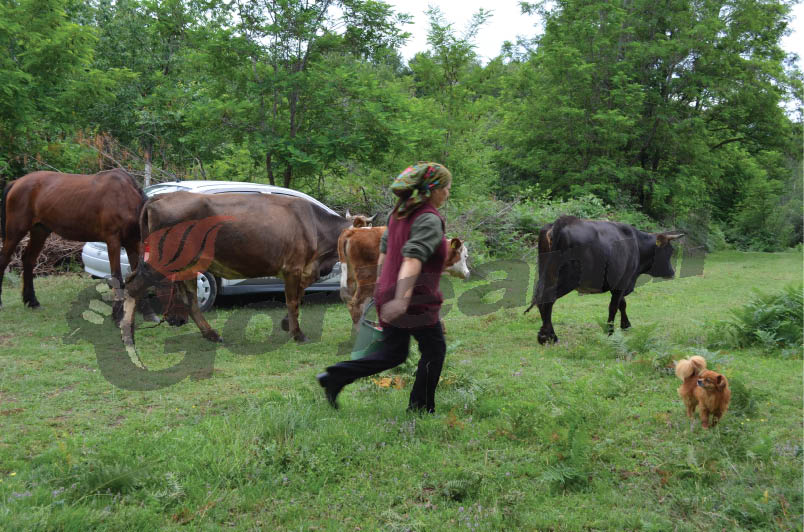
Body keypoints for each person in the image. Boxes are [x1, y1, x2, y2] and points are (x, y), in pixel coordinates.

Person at [317, 162, 453, 413]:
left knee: (392, 354)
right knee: (434, 350)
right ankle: (421, 408)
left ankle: (336, 376)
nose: (448, 193)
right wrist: (401, 300)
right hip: (414, 300)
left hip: (390, 294)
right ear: (432, 190)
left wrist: (382, 291)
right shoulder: (428, 219)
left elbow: (384, 255)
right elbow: (412, 259)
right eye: (446, 187)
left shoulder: (398, 214)